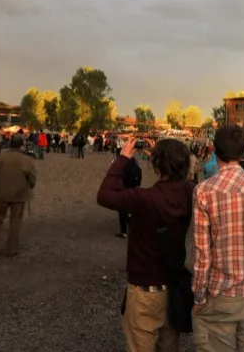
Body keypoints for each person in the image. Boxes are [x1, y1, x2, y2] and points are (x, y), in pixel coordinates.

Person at [97, 138, 195, 352]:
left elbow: (104, 195)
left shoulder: (144, 198)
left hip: (144, 289)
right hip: (173, 286)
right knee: (170, 345)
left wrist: (123, 158)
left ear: (157, 166)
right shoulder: (190, 193)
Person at [191, 124, 244, 352]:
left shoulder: (205, 190)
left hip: (220, 292)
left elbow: (202, 251)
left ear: (215, 150)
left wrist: (199, 295)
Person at [0, 133, 37, 258]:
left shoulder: (1, 159)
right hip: (19, 195)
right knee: (15, 220)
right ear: (22, 145)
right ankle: (12, 249)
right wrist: (29, 187)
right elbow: (32, 177)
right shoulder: (26, 160)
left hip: (2, 194)